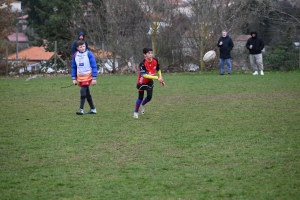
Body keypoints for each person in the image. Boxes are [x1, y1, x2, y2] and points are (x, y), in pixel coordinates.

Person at [133, 47, 165, 119]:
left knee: (149, 97)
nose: (151, 54)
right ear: (145, 55)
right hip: (141, 82)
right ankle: (135, 112)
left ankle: (142, 105)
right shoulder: (142, 63)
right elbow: (144, 75)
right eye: (149, 53)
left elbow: (158, 69)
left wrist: (161, 79)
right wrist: (157, 78)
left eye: (151, 53)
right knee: (140, 97)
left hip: (150, 81)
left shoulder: (155, 60)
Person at [71, 40, 98, 115]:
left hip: (88, 76)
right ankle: (93, 109)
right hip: (80, 77)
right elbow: (73, 67)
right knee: (87, 93)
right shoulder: (75, 55)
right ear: (77, 48)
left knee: (82, 90)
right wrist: (74, 78)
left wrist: (94, 78)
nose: (82, 48)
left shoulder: (89, 54)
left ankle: (81, 109)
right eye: (80, 47)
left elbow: (94, 66)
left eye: (83, 46)